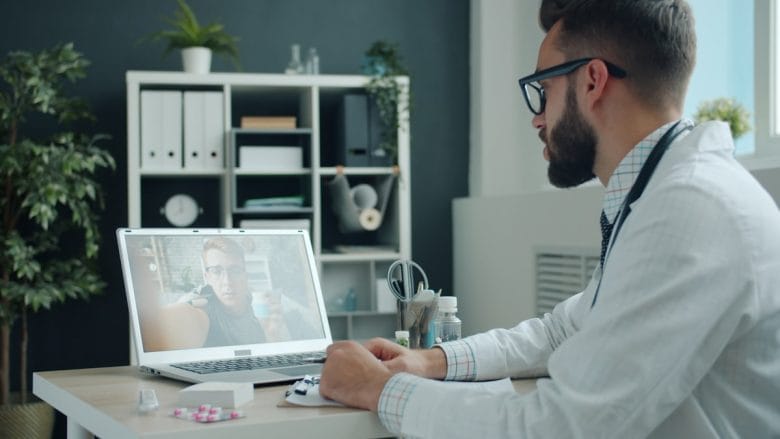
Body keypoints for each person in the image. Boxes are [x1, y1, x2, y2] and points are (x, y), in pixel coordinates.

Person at [318, 1, 780, 437]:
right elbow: (563, 330)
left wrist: (375, 388)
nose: (537, 119)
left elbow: (560, 427)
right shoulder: (663, 193)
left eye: (544, 89)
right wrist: (431, 360)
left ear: (593, 81)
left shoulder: (691, 210)